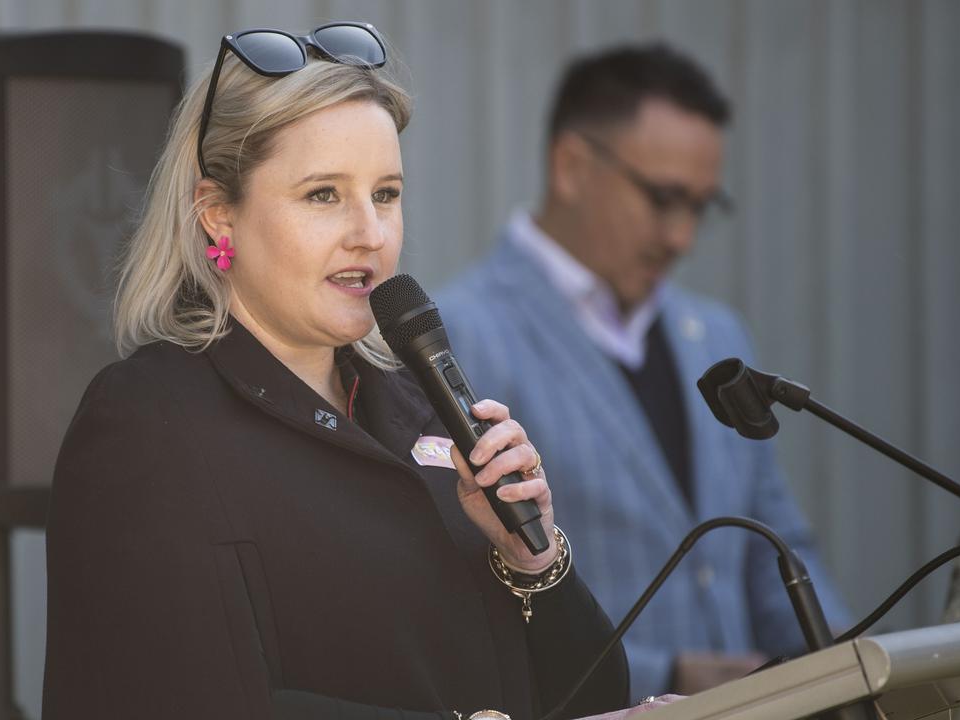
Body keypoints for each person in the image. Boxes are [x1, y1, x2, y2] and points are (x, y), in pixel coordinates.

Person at [42, 22, 660, 720]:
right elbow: (180, 699)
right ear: (219, 217)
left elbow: (597, 697)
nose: (370, 232)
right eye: (323, 195)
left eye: (386, 194)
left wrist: (532, 558)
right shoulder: (149, 422)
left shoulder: (420, 413)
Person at [436, 43, 849, 700]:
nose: (681, 235)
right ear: (571, 166)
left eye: (701, 207)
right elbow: (462, 593)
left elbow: (778, 548)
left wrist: (845, 670)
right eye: (664, 199)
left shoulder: (717, 336)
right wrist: (665, 676)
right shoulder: (459, 337)